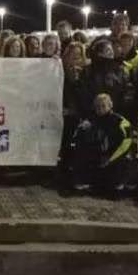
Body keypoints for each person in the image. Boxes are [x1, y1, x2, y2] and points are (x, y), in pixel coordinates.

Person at [69, 93, 133, 197]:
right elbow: (77, 139)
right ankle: (84, 181)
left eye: (103, 106)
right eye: (97, 106)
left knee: (124, 163)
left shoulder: (121, 122)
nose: (100, 109)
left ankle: (119, 184)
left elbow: (126, 146)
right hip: (98, 159)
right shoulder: (89, 122)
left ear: (110, 105)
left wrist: (110, 158)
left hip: (115, 158)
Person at [57, 42, 88, 193]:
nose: (75, 58)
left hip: (78, 115)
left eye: (78, 55)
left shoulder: (86, 73)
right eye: (72, 55)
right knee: (64, 146)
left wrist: (77, 81)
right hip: (62, 114)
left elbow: (86, 95)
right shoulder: (59, 71)